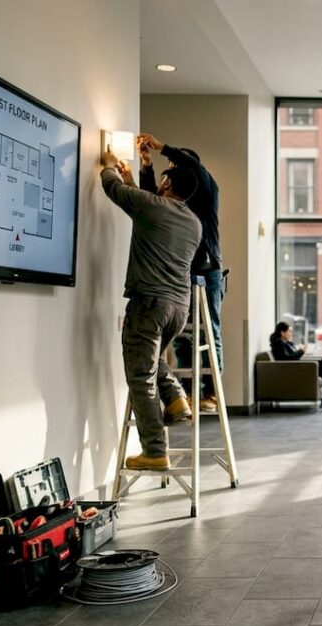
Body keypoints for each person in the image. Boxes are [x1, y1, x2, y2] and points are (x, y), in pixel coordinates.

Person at [100, 148, 201, 471]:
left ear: (167, 184)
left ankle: (155, 451)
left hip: (149, 304)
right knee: (153, 360)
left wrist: (108, 168)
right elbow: (144, 202)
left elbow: (114, 190)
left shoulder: (152, 207)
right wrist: (133, 175)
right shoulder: (192, 222)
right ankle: (174, 396)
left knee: (141, 376)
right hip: (178, 308)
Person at [137, 133, 224, 414]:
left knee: (209, 329)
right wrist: (146, 166)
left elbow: (190, 166)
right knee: (185, 335)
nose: (170, 178)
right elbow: (151, 203)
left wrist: (163, 148)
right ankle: (187, 392)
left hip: (208, 270)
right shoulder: (174, 201)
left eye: (175, 172)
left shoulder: (206, 189)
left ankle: (212, 392)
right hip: (182, 271)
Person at [269, 321, 322, 410]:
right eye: (289, 331)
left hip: (296, 367)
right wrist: (301, 351)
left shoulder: (286, 343)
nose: (291, 334)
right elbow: (288, 359)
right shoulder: (278, 344)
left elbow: (293, 357)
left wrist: (298, 350)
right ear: (282, 332)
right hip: (292, 370)